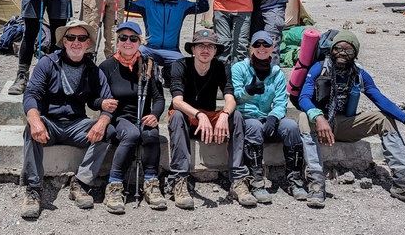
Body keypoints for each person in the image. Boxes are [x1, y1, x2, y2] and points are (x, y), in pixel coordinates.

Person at [298, 30, 405, 208]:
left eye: (348, 50)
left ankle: (404, 184)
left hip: (344, 125)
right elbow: (303, 98)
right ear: (331, 50)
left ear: (355, 54)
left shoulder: (359, 74)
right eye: (338, 48)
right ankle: (316, 182)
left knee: (383, 119)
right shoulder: (320, 67)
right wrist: (318, 117)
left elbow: (380, 99)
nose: (342, 53)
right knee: (302, 117)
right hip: (320, 124)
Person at [20, 19, 115, 219]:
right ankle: (34, 188)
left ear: (88, 43)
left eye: (81, 38)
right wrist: (35, 119)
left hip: (76, 125)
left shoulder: (93, 70)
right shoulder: (48, 63)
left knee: (109, 131)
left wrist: (102, 121)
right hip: (50, 123)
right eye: (71, 37)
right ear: (64, 41)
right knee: (31, 128)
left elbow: (108, 102)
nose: (76, 42)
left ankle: (80, 183)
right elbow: (31, 94)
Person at [167, 30, 257, 209]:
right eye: (201, 45)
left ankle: (238, 180)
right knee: (176, 116)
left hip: (209, 117)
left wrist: (224, 114)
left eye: (210, 46)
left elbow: (230, 98)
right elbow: (176, 102)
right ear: (193, 49)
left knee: (236, 115)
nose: (205, 50)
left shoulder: (222, 67)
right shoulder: (180, 65)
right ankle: (179, 180)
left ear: (216, 50)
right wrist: (198, 115)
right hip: (188, 116)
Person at [232, 31, 307, 203]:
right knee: (254, 126)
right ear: (250, 47)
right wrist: (248, 91)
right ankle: (256, 182)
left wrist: (274, 116)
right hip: (246, 118)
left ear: (273, 48)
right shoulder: (239, 68)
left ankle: (294, 180)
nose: (261, 48)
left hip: (267, 117)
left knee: (292, 127)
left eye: (266, 44)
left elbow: (281, 101)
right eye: (257, 44)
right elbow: (234, 97)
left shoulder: (277, 73)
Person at [99, 22, 166, 214]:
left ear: (140, 42)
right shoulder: (106, 67)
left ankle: (151, 183)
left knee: (151, 133)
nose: (128, 42)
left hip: (142, 116)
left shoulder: (148, 65)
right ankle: (114, 185)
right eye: (123, 38)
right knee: (131, 134)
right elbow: (95, 97)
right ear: (117, 41)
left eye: (133, 38)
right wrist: (102, 104)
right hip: (119, 118)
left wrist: (154, 115)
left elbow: (159, 98)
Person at [125, 0, 209, 84]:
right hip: (150, 48)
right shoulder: (147, 3)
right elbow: (127, 5)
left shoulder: (181, 4)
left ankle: (167, 73)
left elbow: (203, 7)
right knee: (134, 54)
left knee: (185, 67)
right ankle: (140, 79)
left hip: (172, 51)